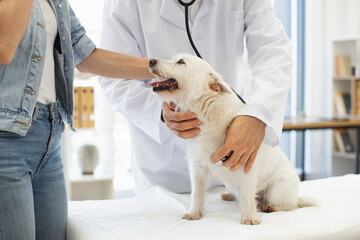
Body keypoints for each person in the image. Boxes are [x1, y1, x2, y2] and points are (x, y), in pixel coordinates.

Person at [99, 0, 293, 194]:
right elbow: (113, 77)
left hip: (233, 165)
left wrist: (257, 114)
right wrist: (160, 113)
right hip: (162, 176)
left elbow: (273, 52)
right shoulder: (123, 3)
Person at [0, 0, 154, 239]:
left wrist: (165, 68)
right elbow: (5, 45)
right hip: (7, 141)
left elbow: (86, 55)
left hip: (50, 138)